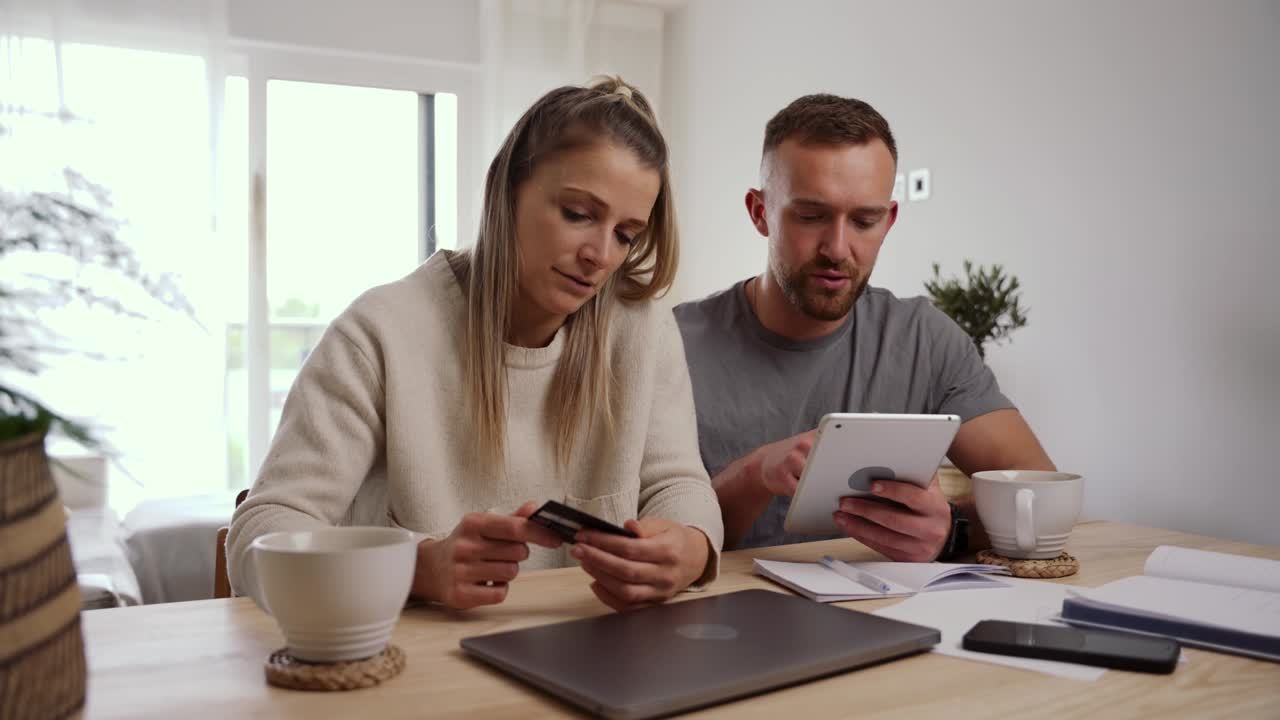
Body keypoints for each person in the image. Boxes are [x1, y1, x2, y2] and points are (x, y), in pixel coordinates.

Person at [228, 77, 722, 612]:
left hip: (597, 663)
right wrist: (416, 566)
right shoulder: (381, 331)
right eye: (578, 214)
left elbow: (681, 484)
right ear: (507, 189)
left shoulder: (642, 328)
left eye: (625, 234)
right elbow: (261, 534)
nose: (600, 255)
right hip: (418, 679)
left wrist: (690, 547)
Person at [674, 94, 1054, 560]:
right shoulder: (671, 347)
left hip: (886, 620)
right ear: (760, 213)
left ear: (889, 220)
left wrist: (952, 528)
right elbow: (643, 533)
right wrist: (753, 475)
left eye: (864, 220)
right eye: (811, 216)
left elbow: (1042, 495)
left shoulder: (923, 339)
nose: (837, 248)